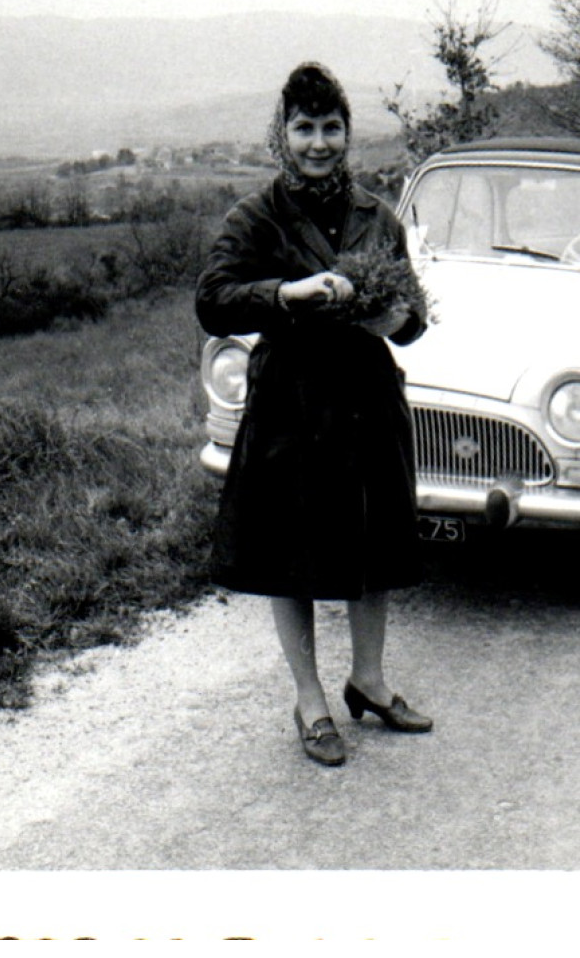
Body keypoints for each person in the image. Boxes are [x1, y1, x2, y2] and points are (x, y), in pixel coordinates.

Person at [196, 62, 431, 767]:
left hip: (365, 399)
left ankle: (370, 681)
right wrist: (286, 295)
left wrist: (397, 317)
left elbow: (413, 315)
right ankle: (310, 699)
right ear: (282, 133)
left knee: (375, 544)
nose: (319, 142)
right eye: (304, 128)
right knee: (288, 554)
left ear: (346, 133)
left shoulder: (376, 215)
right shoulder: (257, 215)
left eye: (331, 128)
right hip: (292, 405)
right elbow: (212, 298)